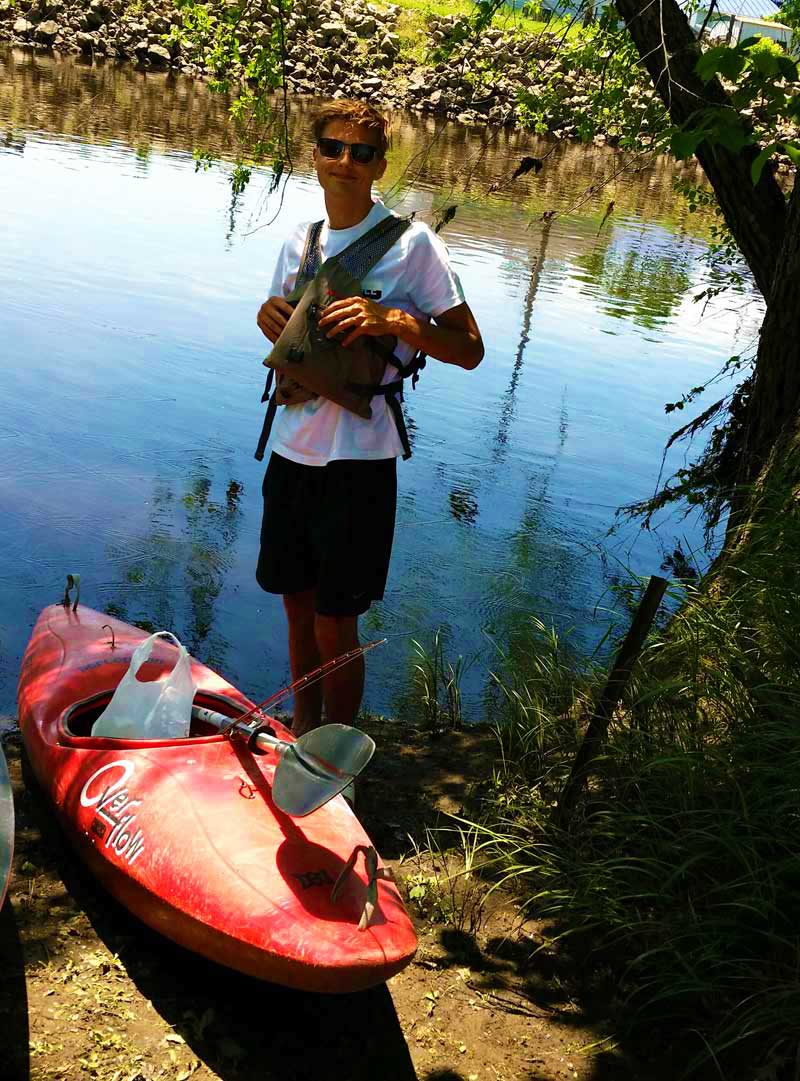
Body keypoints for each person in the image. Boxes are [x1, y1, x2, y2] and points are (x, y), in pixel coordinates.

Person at [256, 99, 484, 736]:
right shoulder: (299, 241)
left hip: (360, 460)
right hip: (292, 450)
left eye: (361, 152)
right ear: (316, 157)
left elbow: (469, 349)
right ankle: (302, 736)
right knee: (298, 610)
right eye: (334, 148)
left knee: (338, 620)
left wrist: (395, 320)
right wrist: (266, 318)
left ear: (380, 164)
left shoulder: (414, 247)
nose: (346, 162)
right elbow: (287, 334)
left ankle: (335, 759)